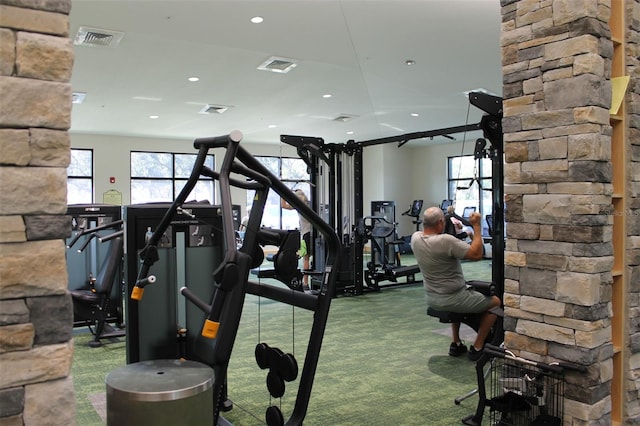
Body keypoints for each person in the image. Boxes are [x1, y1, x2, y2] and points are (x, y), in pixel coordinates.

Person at [411, 206, 500, 361]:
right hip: (453, 298)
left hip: (432, 298)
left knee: (464, 289)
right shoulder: (445, 241)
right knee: (495, 303)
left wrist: (461, 230)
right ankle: (478, 347)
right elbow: (477, 254)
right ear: (440, 222)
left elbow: (444, 241)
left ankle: (456, 343)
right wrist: (477, 226)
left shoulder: (415, 238)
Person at [281, 189, 312, 289]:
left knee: (306, 259)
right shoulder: (310, 204)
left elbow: (283, 205)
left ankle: (306, 283)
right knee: (311, 257)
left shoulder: (299, 206)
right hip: (315, 233)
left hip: (306, 233)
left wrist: (283, 193)